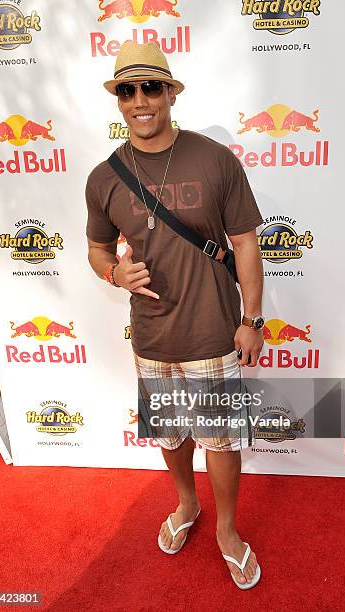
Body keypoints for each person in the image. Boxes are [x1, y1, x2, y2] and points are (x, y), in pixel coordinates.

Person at [85, 40, 265, 589]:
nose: (141, 100)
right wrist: (115, 274)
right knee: (170, 437)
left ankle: (228, 531)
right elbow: (96, 250)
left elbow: (246, 243)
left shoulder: (214, 159)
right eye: (128, 89)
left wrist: (252, 320)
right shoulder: (104, 177)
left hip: (213, 334)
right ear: (118, 99)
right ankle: (187, 506)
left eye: (151, 87)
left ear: (170, 93)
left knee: (220, 441)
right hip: (152, 341)